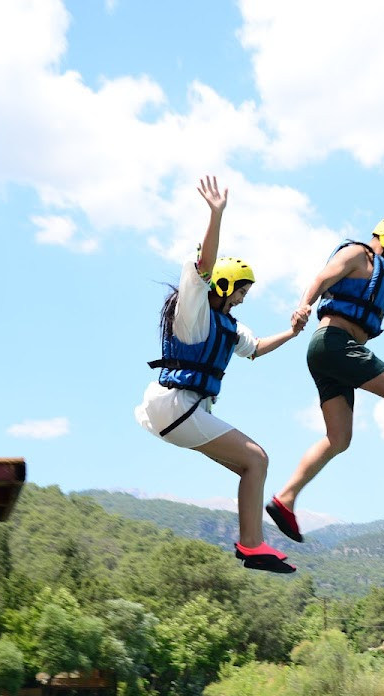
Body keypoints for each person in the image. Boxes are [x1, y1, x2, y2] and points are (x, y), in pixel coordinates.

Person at [136, 175, 306, 573]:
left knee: (250, 466)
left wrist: (293, 332)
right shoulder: (193, 312)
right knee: (257, 458)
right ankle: (252, 545)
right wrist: (216, 215)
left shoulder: (229, 327)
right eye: (241, 291)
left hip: (183, 412)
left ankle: (252, 545)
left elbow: (256, 348)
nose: (243, 298)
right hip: (177, 406)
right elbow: (203, 268)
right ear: (224, 285)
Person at [265, 216, 384, 542]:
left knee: (339, 438)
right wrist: (303, 307)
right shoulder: (358, 254)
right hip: (335, 342)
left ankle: (285, 499)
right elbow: (322, 278)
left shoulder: (377, 274)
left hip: (329, 352)